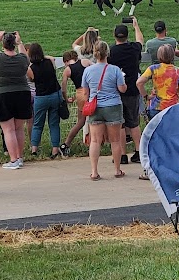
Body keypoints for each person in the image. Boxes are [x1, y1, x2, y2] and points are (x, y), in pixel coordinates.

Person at [0, 30, 32, 169]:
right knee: (18, 129)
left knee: (8, 129)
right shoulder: (22, 59)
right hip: (22, 92)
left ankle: (13, 159)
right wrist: (20, 42)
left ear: (3, 44)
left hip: (3, 94)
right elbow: (25, 56)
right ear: (14, 44)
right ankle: (20, 157)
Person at [82, 41, 128, 180]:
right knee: (115, 140)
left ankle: (94, 171)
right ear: (107, 53)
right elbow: (122, 89)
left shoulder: (88, 71)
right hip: (113, 105)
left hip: (95, 107)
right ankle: (117, 169)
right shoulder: (115, 70)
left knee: (95, 141)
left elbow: (85, 93)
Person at [109, 17, 144, 164]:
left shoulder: (112, 51)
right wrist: (136, 26)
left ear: (114, 36)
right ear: (127, 36)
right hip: (133, 89)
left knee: (121, 124)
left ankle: (122, 155)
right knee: (134, 122)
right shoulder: (133, 48)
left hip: (117, 90)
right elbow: (140, 41)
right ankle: (138, 152)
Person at [27, 42, 64, 159]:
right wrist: (45, 56)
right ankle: (55, 149)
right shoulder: (50, 62)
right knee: (54, 124)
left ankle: (34, 149)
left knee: (37, 124)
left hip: (41, 97)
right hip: (54, 95)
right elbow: (51, 58)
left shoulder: (30, 68)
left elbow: (31, 80)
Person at [137, 44, 179, 119]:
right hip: (172, 107)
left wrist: (146, 96)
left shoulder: (153, 69)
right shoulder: (178, 71)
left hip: (155, 107)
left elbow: (139, 83)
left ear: (158, 55)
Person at [60, 50, 93, 156]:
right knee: (95, 120)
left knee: (81, 122)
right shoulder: (86, 62)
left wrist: (67, 99)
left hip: (80, 93)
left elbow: (63, 89)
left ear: (66, 61)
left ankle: (66, 144)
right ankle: (93, 144)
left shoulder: (68, 70)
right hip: (90, 91)